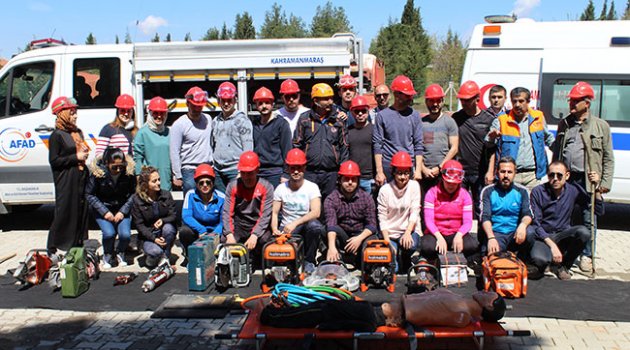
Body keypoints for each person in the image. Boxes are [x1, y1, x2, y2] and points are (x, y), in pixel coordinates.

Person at [551, 81, 614, 273]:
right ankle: (565, 252)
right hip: (567, 180)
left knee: (589, 219)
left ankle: (586, 256)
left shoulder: (601, 126)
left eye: (576, 101)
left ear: (587, 103)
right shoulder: (565, 124)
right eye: (571, 100)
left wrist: (603, 184)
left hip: (588, 181)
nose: (571, 104)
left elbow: (608, 158)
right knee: (565, 217)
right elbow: (557, 152)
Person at [528, 161, 604, 280]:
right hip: (544, 236)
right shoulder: (538, 191)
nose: (555, 179)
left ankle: (563, 266)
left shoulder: (573, 190)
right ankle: (546, 263)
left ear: (567, 176)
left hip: (563, 234)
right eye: (551, 175)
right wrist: (552, 245)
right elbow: (536, 224)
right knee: (540, 260)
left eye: (559, 175)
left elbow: (598, 210)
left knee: (584, 232)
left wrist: (597, 188)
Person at [487, 87, 555, 190]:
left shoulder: (538, 117)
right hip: (510, 176)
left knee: (532, 205)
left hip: (533, 176)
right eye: (514, 101)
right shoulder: (501, 119)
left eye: (521, 101)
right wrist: (491, 138)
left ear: (528, 101)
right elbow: (489, 145)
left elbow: (549, 139)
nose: (517, 105)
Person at [47, 96, 90, 254]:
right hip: (65, 179)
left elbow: (81, 149)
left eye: (75, 112)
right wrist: (75, 158)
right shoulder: (57, 136)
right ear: (62, 114)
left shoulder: (77, 132)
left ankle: (76, 244)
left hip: (80, 177)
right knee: (64, 212)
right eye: (72, 112)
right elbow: (55, 161)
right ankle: (54, 247)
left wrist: (84, 152)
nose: (75, 115)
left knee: (79, 211)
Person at [271, 149, 324, 273]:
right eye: (293, 168)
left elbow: (316, 212)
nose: (296, 171)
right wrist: (274, 229)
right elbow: (274, 212)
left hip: (304, 227)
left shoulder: (312, 187)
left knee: (315, 226)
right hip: (286, 229)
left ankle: (309, 260)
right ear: (288, 168)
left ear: (304, 168)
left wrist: (295, 223)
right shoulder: (280, 189)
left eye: (299, 168)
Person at [293, 83, 349, 200]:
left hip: (332, 174)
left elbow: (344, 147)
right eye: (326, 99)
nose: (330, 102)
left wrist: (342, 172)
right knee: (309, 207)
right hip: (309, 173)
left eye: (331, 98)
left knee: (330, 207)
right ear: (316, 100)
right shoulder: (304, 119)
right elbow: (296, 145)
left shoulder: (339, 120)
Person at [421, 160, 479, 266]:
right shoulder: (431, 193)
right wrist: (439, 237)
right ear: (442, 178)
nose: (451, 186)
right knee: (426, 246)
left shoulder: (465, 195)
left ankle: (461, 261)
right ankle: (433, 260)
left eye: (454, 183)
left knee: (472, 245)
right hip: (436, 232)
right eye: (448, 182)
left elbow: (468, 222)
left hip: (456, 232)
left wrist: (459, 235)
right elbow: (428, 220)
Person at [452, 80, 496, 219]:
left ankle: (480, 238)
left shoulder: (488, 119)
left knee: (480, 207)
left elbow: (493, 149)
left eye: (467, 100)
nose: (464, 103)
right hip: (461, 171)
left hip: (480, 171)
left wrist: (490, 171)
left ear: (477, 99)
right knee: (459, 206)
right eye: (462, 100)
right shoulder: (456, 118)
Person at [86, 147, 136, 268]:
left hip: (121, 207)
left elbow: (134, 194)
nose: (118, 170)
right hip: (103, 207)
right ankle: (108, 253)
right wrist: (104, 212)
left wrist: (123, 211)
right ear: (107, 163)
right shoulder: (97, 174)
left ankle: (120, 251)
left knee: (125, 235)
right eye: (114, 167)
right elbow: (89, 194)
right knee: (109, 233)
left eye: (121, 166)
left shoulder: (128, 174)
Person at [323, 160, 378, 265]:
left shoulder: (366, 198)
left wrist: (359, 239)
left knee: (372, 239)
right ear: (340, 180)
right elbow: (331, 224)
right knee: (324, 230)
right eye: (346, 179)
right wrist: (331, 247)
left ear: (358, 181)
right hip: (342, 234)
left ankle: (360, 261)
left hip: (360, 234)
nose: (350, 182)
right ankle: (335, 257)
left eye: (353, 179)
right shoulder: (331, 199)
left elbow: (372, 225)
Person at [373, 75, 424, 186]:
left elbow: (418, 145)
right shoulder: (382, 116)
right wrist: (379, 172)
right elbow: (377, 146)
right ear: (396, 94)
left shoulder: (415, 116)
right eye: (407, 95)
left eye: (410, 95)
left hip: (408, 167)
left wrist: (418, 170)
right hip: (388, 167)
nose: (410, 98)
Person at [480, 157, 535, 259]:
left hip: (515, 233)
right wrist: (491, 237)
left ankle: (523, 259)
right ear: (497, 173)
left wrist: (522, 226)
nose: (506, 175)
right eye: (502, 172)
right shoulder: (488, 191)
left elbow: (528, 214)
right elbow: (485, 217)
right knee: (495, 262)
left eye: (509, 172)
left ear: (515, 173)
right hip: (496, 233)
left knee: (530, 232)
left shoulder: (522, 191)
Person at [222, 151, 275, 258]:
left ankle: (256, 260)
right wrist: (229, 234)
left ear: (257, 170)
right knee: (225, 241)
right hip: (239, 225)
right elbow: (227, 212)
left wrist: (255, 235)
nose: (246, 177)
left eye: (250, 173)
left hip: (257, 223)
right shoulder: (232, 186)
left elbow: (265, 215)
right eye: (243, 173)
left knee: (264, 240)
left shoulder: (266, 187)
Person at [377, 151, 422, 272]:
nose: (403, 177)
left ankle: (406, 256)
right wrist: (387, 242)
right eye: (400, 173)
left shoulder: (414, 186)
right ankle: (397, 257)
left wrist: (408, 232)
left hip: (408, 230)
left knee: (411, 245)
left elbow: (414, 211)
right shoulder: (384, 190)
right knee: (394, 270)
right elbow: (382, 218)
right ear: (393, 173)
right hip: (390, 232)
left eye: (406, 173)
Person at [382, 289, 506, 328]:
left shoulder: (462, 316)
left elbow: (421, 315)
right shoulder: (459, 299)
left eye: (489, 294)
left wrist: (392, 313)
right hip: (396, 306)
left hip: (391, 312)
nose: (486, 291)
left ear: (489, 307)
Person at [211, 81, 254, 193]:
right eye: (223, 100)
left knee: (235, 204)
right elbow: (212, 145)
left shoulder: (242, 121)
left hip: (234, 170)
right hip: (218, 170)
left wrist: (243, 170)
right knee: (222, 203)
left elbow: (248, 148)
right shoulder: (215, 121)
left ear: (235, 100)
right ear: (218, 101)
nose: (226, 104)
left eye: (229, 100)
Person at [170, 86, 213, 195]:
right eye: (194, 106)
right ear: (187, 104)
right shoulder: (179, 124)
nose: (197, 109)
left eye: (199, 107)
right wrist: (178, 175)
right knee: (192, 199)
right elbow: (174, 151)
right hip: (189, 170)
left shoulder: (208, 119)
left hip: (207, 167)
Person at [131, 166, 177, 268]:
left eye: (159, 180)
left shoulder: (166, 195)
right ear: (145, 184)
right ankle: (154, 257)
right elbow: (139, 225)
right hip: (148, 235)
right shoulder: (137, 200)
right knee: (155, 251)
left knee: (169, 229)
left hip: (163, 231)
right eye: (154, 181)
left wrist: (163, 220)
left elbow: (173, 215)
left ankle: (166, 256)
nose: (158, 183)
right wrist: (154, 239)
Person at [420, 84, 459, 192]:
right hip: (425, 174)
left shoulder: (449, 122)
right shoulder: (421, 123)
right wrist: (423, 169)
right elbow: (417, 148)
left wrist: (440, 167)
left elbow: (454, 148)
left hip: (444, 174)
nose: (435, 104)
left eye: (438, 100)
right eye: (431, 101)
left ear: (443, 101)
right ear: (426, 102)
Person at [251, 87, 292, 188]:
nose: (264, 106)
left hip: (275, 173)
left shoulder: (281, 124)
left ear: (272, 104)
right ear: (256, 105)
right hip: (257, 173)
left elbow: (287, 150)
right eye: (260, 103)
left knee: (274, 203)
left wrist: (286, 174)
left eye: (267, 103)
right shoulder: (253, 124)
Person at [179, 164, 224, 253]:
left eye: (208, 182)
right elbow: (186, 216)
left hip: (215, 231)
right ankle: (189, 255)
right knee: (184, 231)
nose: (205, 185)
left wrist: (214, 234)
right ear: (196, 184)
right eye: (201, 182)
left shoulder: (222, 197)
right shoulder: (190, 195)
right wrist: (201, 230)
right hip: (197, 230)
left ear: (213, 183)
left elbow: (224, 221)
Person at [134, 96, 172, 190]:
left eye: (162, 113)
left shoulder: (169, 132)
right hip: (149, 184)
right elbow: (138, 158)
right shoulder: (142, 133)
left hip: (166, 182)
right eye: (155, 113)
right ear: (150, 114)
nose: (159, 116)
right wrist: (139, 178)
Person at [347, 95, 375, 194]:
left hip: (369, 178)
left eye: (363, 111)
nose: (360, 114)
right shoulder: (347, 131)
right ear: (352, 113)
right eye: (356, 111)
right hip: (352, 178)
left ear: (368, 111)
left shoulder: (374, 130)